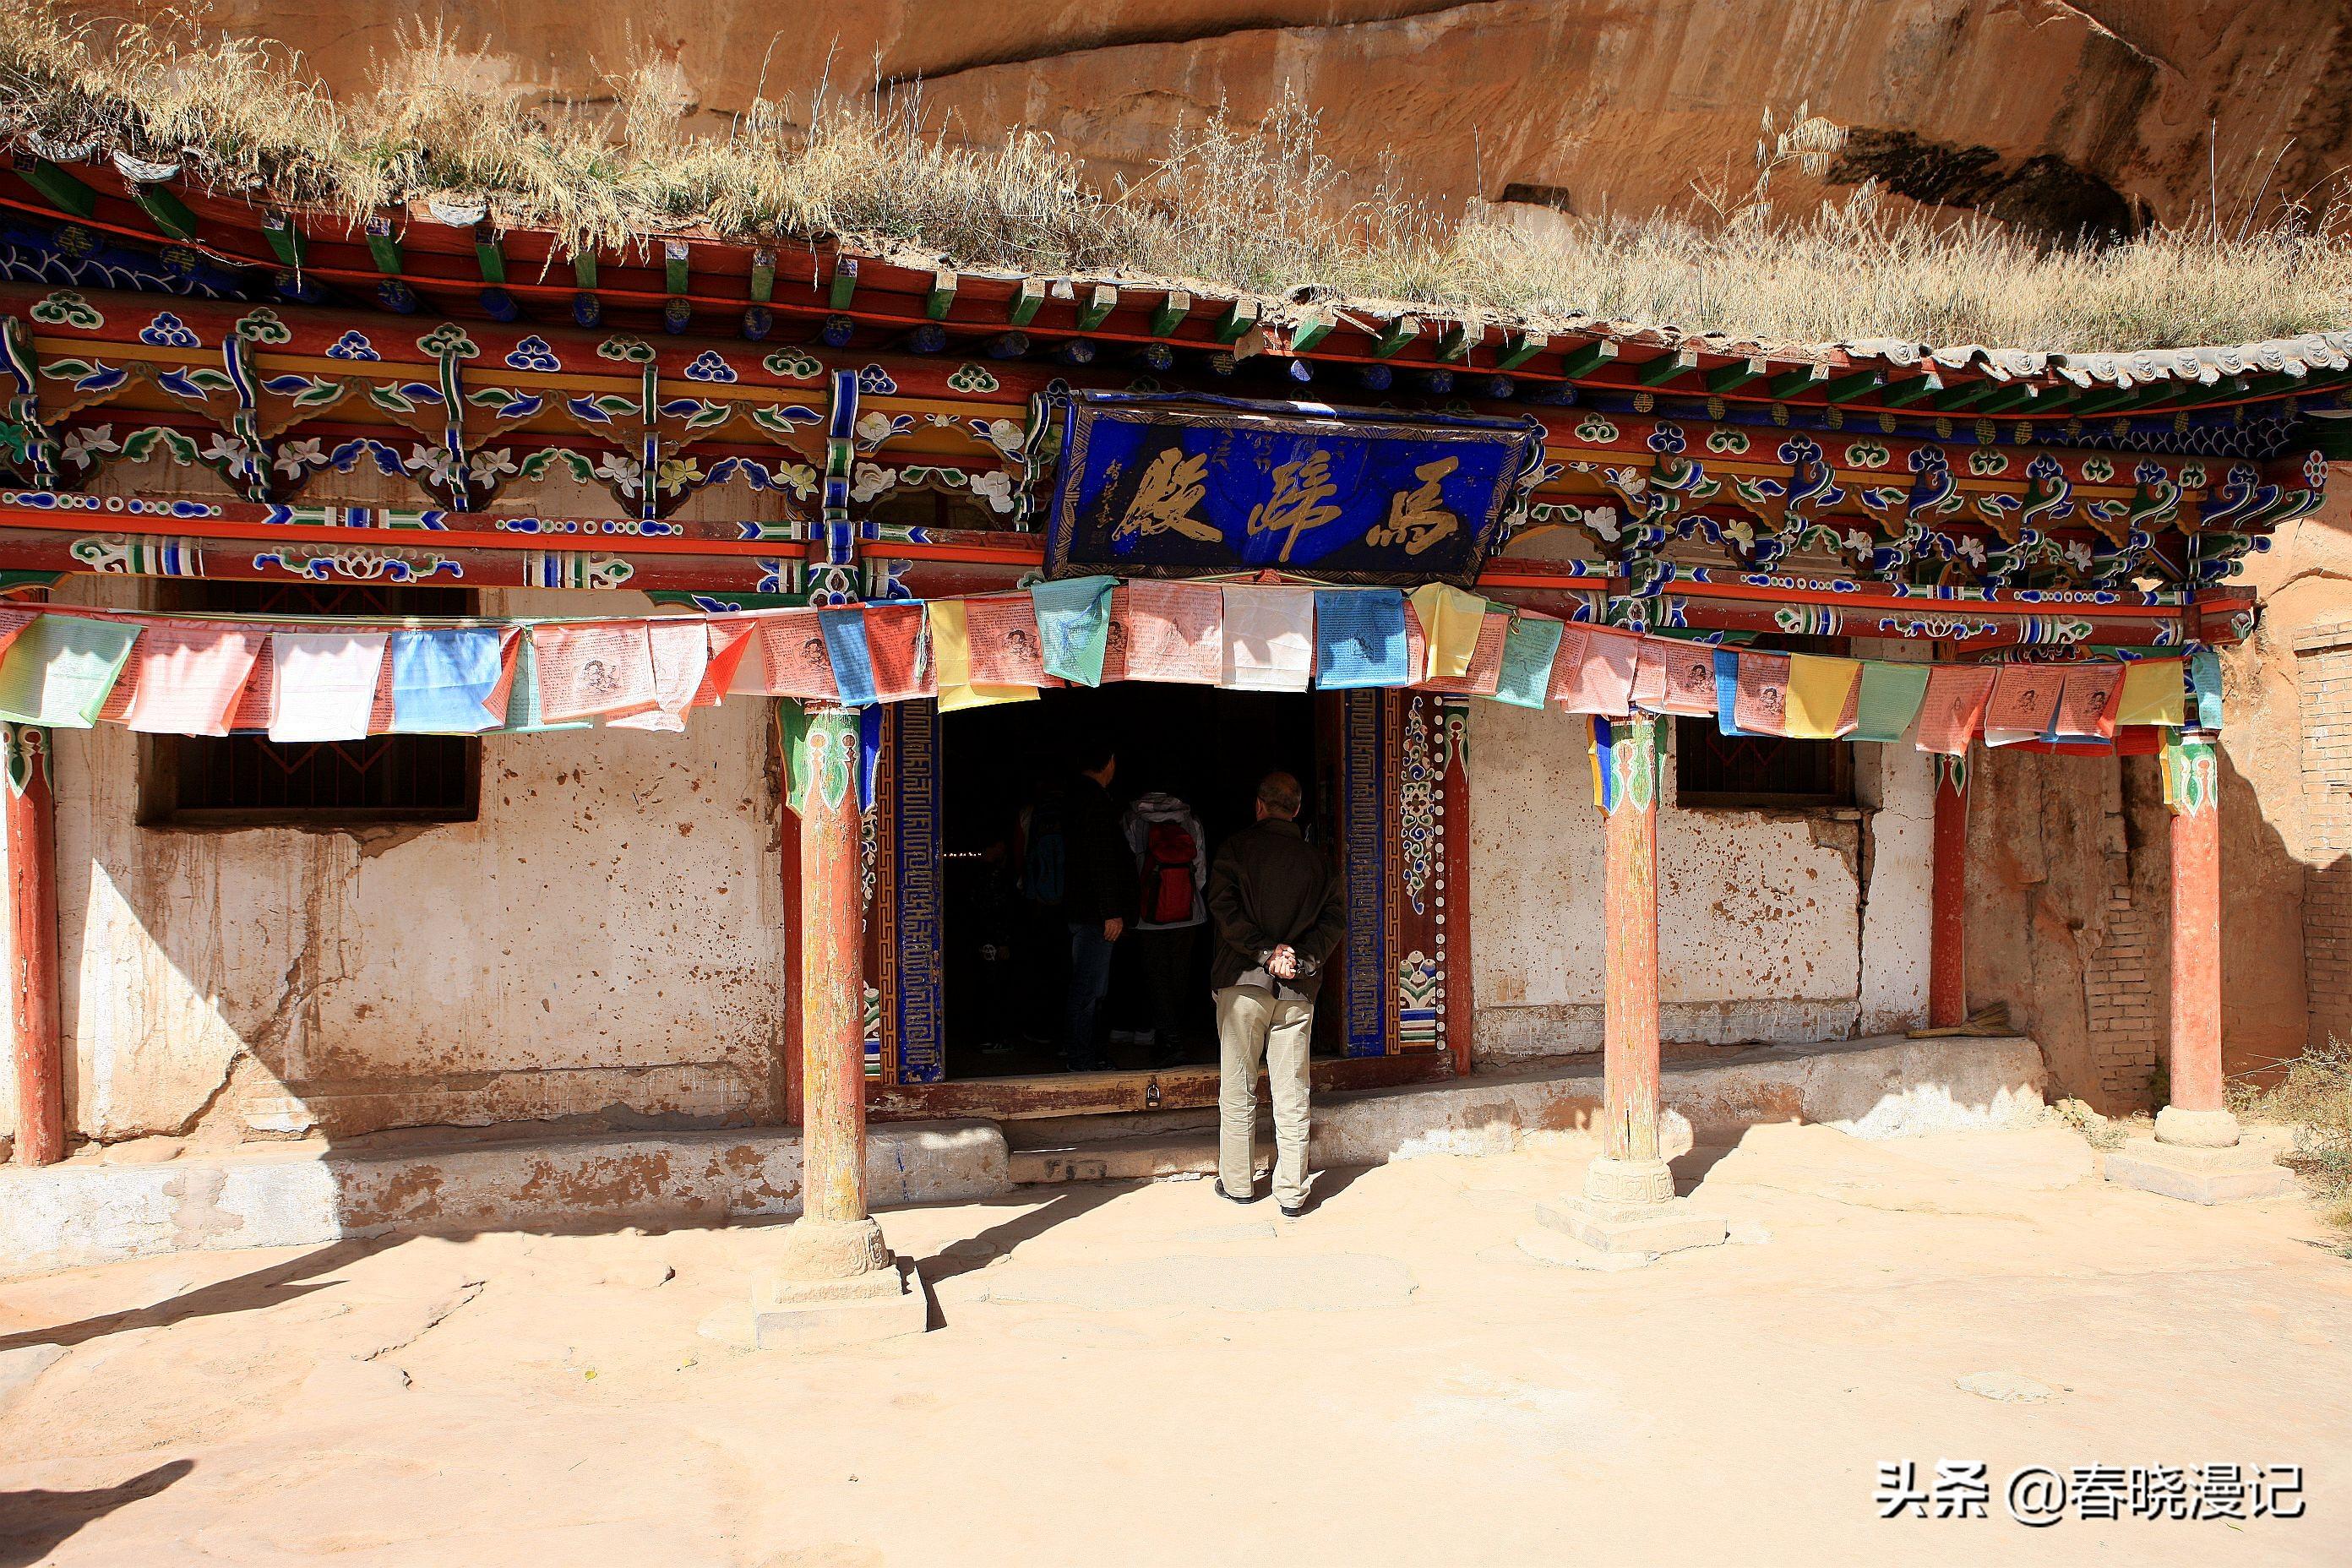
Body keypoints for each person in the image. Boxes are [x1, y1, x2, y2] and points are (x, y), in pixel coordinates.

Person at [1206, 770, 1344, 1217]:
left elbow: (1224, 911)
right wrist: (1298, 960)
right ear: (1297, 809)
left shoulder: (1234, 850)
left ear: (1259, 806)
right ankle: (1291, 1191)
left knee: (1239, 1086)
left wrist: (1265, 953)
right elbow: (1333, 923)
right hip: (1296, 990)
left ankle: (1240, 1184)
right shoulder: (1318, 862)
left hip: (1244, 985)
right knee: (1292, 1089)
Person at [1058, 738, 1133, 1072]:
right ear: (1110, 762)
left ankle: (1085, 1052)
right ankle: (1081, 1059)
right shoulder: (1095, 801)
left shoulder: (1072, 797)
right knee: (1089, 989)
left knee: (1088, 986)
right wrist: (1111, 911)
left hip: (1079, 908)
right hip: (1094, 914)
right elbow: (1102, 860)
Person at [1123, 784, 1209, 1068]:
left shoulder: (1134, 820)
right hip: (1187, 915)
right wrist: (1185, 898)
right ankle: (1175, 1037)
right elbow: (1200, 871)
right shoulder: (1189, 819)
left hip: (1148, 917)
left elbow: (1128, 866)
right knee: (1180, 977)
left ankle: (1169, 1040)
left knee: (1155, 978)